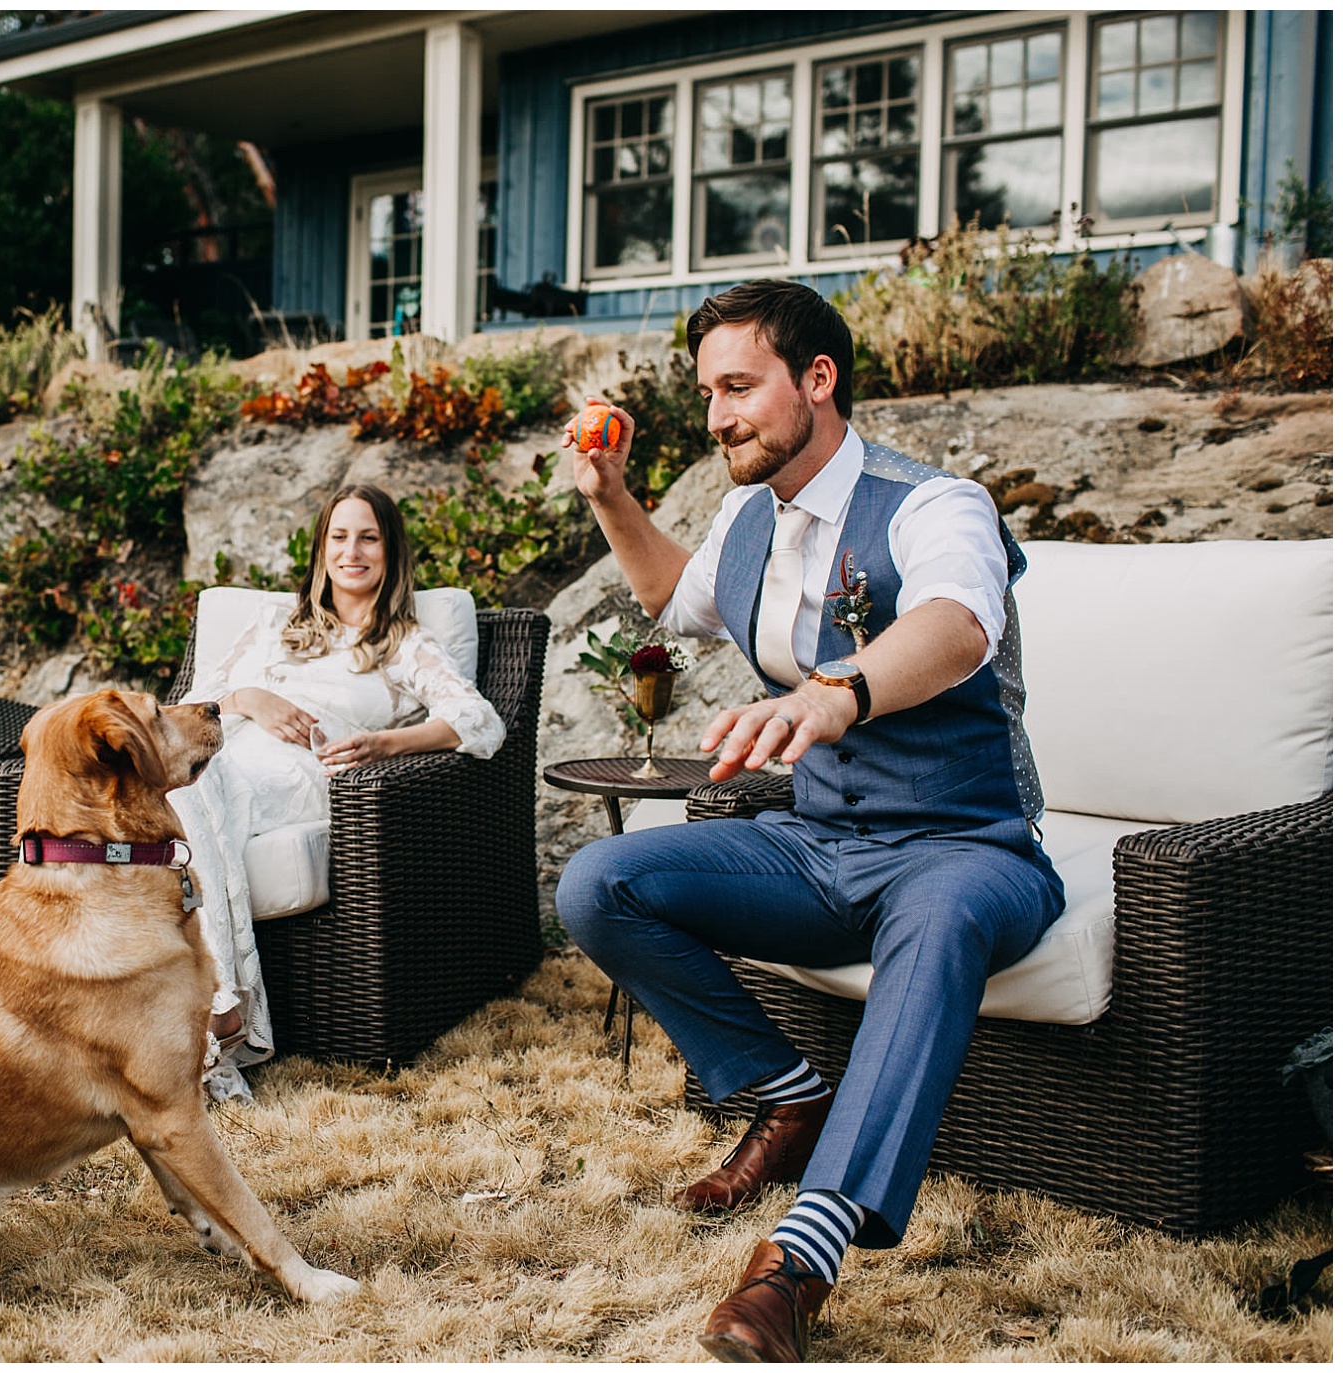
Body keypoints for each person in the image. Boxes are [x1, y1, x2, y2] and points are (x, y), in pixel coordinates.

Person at [554, 279, 1064, 1362]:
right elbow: (673, 599)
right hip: (816, 846)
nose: (715, 416)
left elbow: (955, 624)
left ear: (816, 380)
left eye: (736, 387)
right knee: (599, 880)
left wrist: (836, 689)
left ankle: (798, 1258)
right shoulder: (749, 516)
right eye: (705, 393)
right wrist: (608, 494)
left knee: (937, 915)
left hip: (963, 848)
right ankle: (786, 1095)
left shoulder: (934, 505)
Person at [172, 484, 506, 1101]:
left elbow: (482, 723)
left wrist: (384, 744)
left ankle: (218, 1013)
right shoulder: (273, 626)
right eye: (339, 536)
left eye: (369, 537)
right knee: (187, 795)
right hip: (231, 758)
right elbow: (186, 710)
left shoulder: (405, 642)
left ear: (391, 551)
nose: (353, 551)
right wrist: (247, 699)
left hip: (308, 775)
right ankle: (221, 1014)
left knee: (184, 795)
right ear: (322, 549)